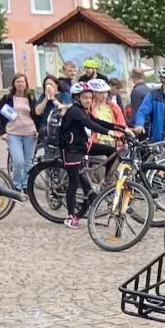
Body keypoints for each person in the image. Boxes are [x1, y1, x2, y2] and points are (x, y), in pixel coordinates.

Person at [57, 81, 125, 228]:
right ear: (77, 98)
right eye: (85, 97)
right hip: (71, 150)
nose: (88, 100)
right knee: (74, 181)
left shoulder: (84, 110)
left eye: (90, 97)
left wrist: (121, 128)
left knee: (111, 151)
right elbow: (89, 124)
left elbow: (98, 121)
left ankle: (106, 182)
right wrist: (110, 133)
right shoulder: (75, 111)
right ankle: (70, 217)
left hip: (83, 146)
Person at [0, 74, 42, 190]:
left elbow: (36, 115)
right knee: (18, 161)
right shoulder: (8, 98)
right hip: (13, 133)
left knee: (28, 162)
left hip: (30, 133)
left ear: (26, 84)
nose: (21, 84)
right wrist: (2, 132)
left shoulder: (30, 98)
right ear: (14, 84)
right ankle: (17, 184)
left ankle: (26, 185)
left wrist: (38, 130)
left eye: (23, 82)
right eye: (18, 82)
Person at [36, 76, 65, 149]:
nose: (48, 86)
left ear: (56, 85)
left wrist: (53, 98)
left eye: (51, 84)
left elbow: (64, 109)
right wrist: (46, 98)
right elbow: (38, 112)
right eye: (46, 84)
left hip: (60, 129)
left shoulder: (64, 95)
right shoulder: (43, 96)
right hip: (45, 130)